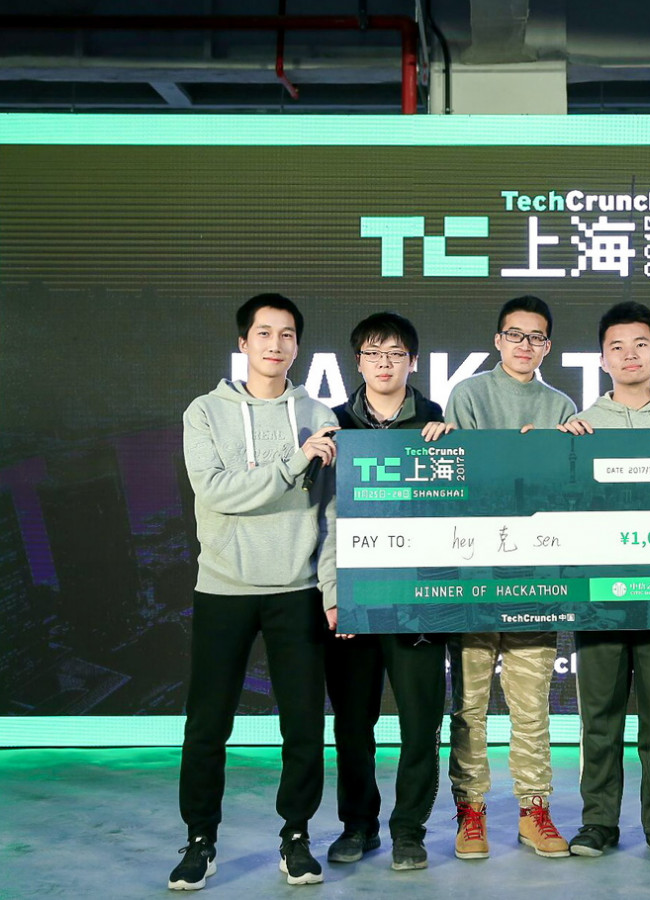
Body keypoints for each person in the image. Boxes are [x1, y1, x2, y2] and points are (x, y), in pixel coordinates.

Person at [169, 293, 340, 890]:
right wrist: (292, 464)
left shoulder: (318, 412)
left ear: (298, 346)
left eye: (287, 334)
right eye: (264, 333)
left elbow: (331, 512)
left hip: (297, 587)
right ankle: (200, 840)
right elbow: (215, 492)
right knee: (207, 723)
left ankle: (296, 836)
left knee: (304, 725)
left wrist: (330, 587)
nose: (275, 344)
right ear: (243, 343)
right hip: (223, 586)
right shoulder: (205, 412)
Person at [556, 302, 650, 865]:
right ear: (602, 359)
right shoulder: (582, 424)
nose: (629, 355)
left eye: (640, 344)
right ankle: (598, 821)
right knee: (599, 719)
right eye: (616, 347)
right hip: (599, 596)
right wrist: (563, 449)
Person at [444, 295, 577, 860]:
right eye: (515, 335)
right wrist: (516, 461)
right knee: (469, 705)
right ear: (498, 340)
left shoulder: (561, 404)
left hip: (535, 578)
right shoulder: (468, 394)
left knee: (532, 705)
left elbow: (565, 489)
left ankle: (534, 811)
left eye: (536, 337)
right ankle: (470, 813)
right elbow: (464, 481)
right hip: (475, 575)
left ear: (548, 346)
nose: (525, 345)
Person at [324, 311, 454, 872]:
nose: (385, 363)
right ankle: (358, 825)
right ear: (358, 361)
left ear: (413, 362)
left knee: (420, 724)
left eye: (396, 353)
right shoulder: (332, 424)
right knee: (353, 725)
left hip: (418, 601)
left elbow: (457, 509)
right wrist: (334, 594)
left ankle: (409, 830)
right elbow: (322, 517)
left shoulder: (436, 421)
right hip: (354, 598)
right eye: (374, 353)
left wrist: (452, 450)